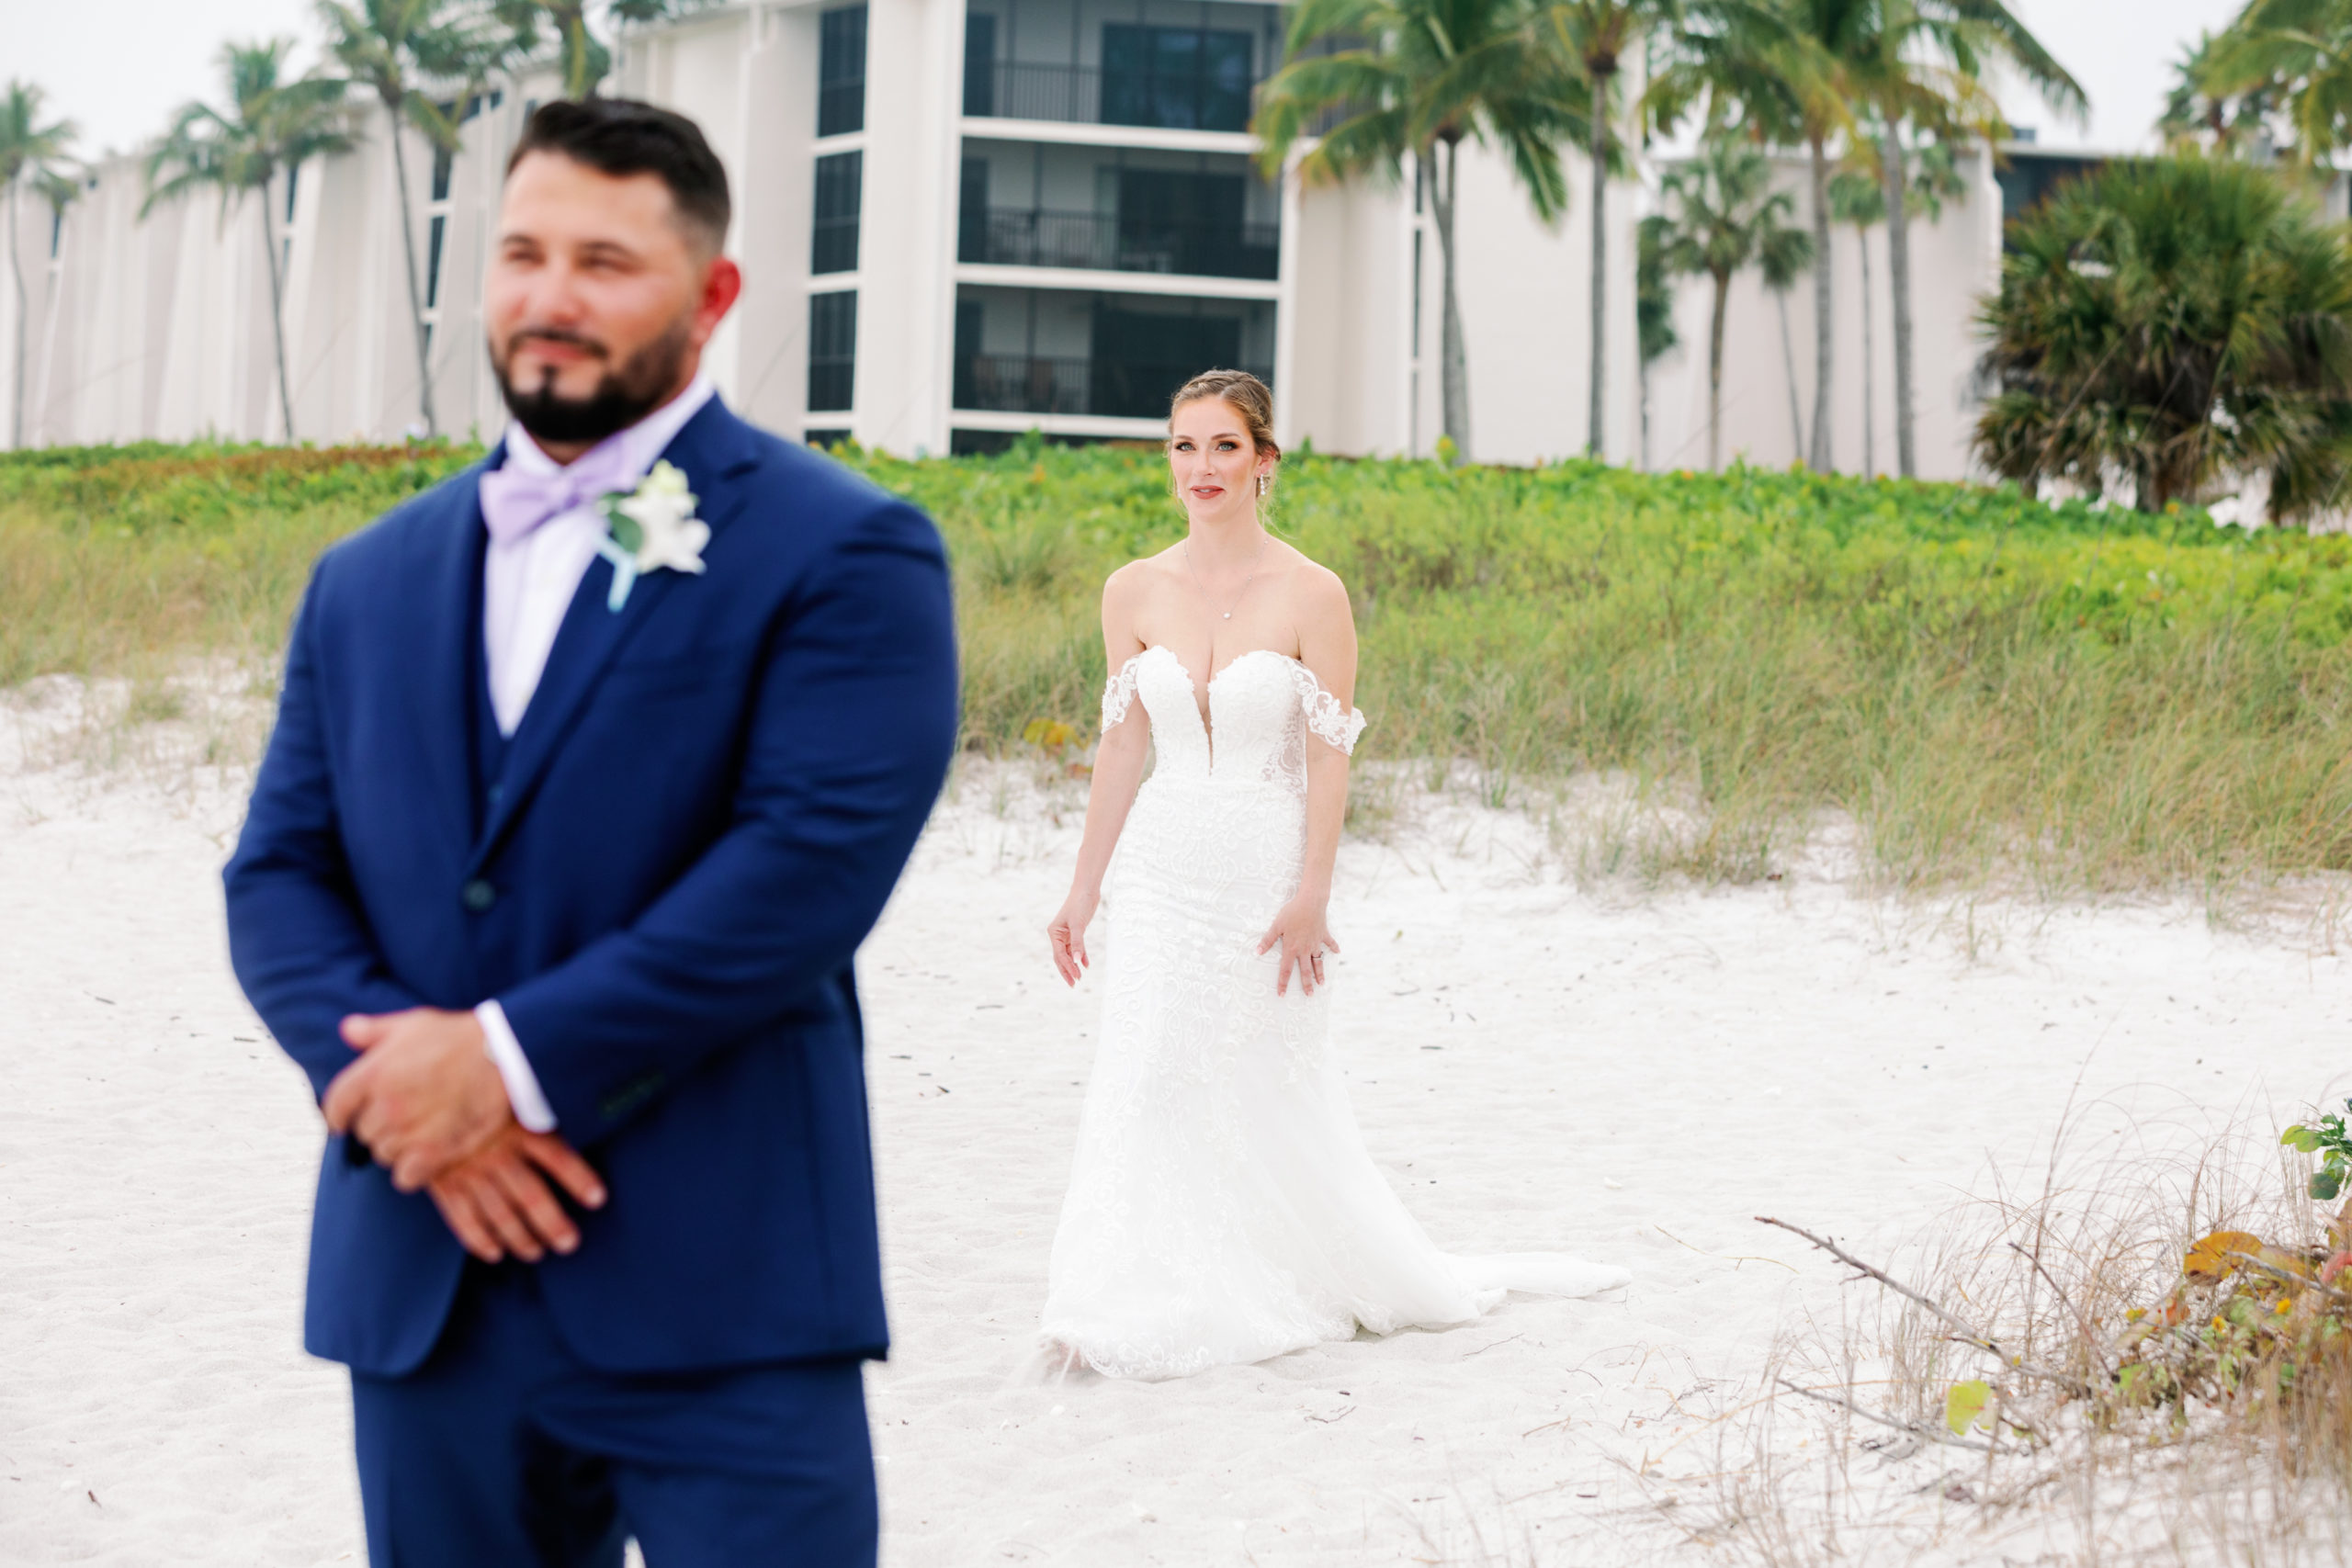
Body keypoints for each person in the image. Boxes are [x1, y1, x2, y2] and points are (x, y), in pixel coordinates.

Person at [222, 98, 957, 1564]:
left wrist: (498, 1065)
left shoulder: (847, 546)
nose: (550, 297)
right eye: (521, 253)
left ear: (713, 294)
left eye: (607, 262)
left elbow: (803, 871)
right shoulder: (364, 576)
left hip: (722, 1283)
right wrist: (414, 1099)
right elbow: (279, 874)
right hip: (430, 1275)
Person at [1041, 371, 1627, 1381]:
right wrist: (1081, 890)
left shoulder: (1314, 594)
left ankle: (1265, 1274)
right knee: (1144, 1076)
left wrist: (1313, 892)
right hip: (1162, 874)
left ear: (1264, 461)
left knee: (1260, 1083)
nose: (1201, 468)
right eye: (1184, 447)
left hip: (1265, 879)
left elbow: (1327, 756)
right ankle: (1122, 1293)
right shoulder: (1131, 590)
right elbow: (1121, 749)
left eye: (1223, 447)